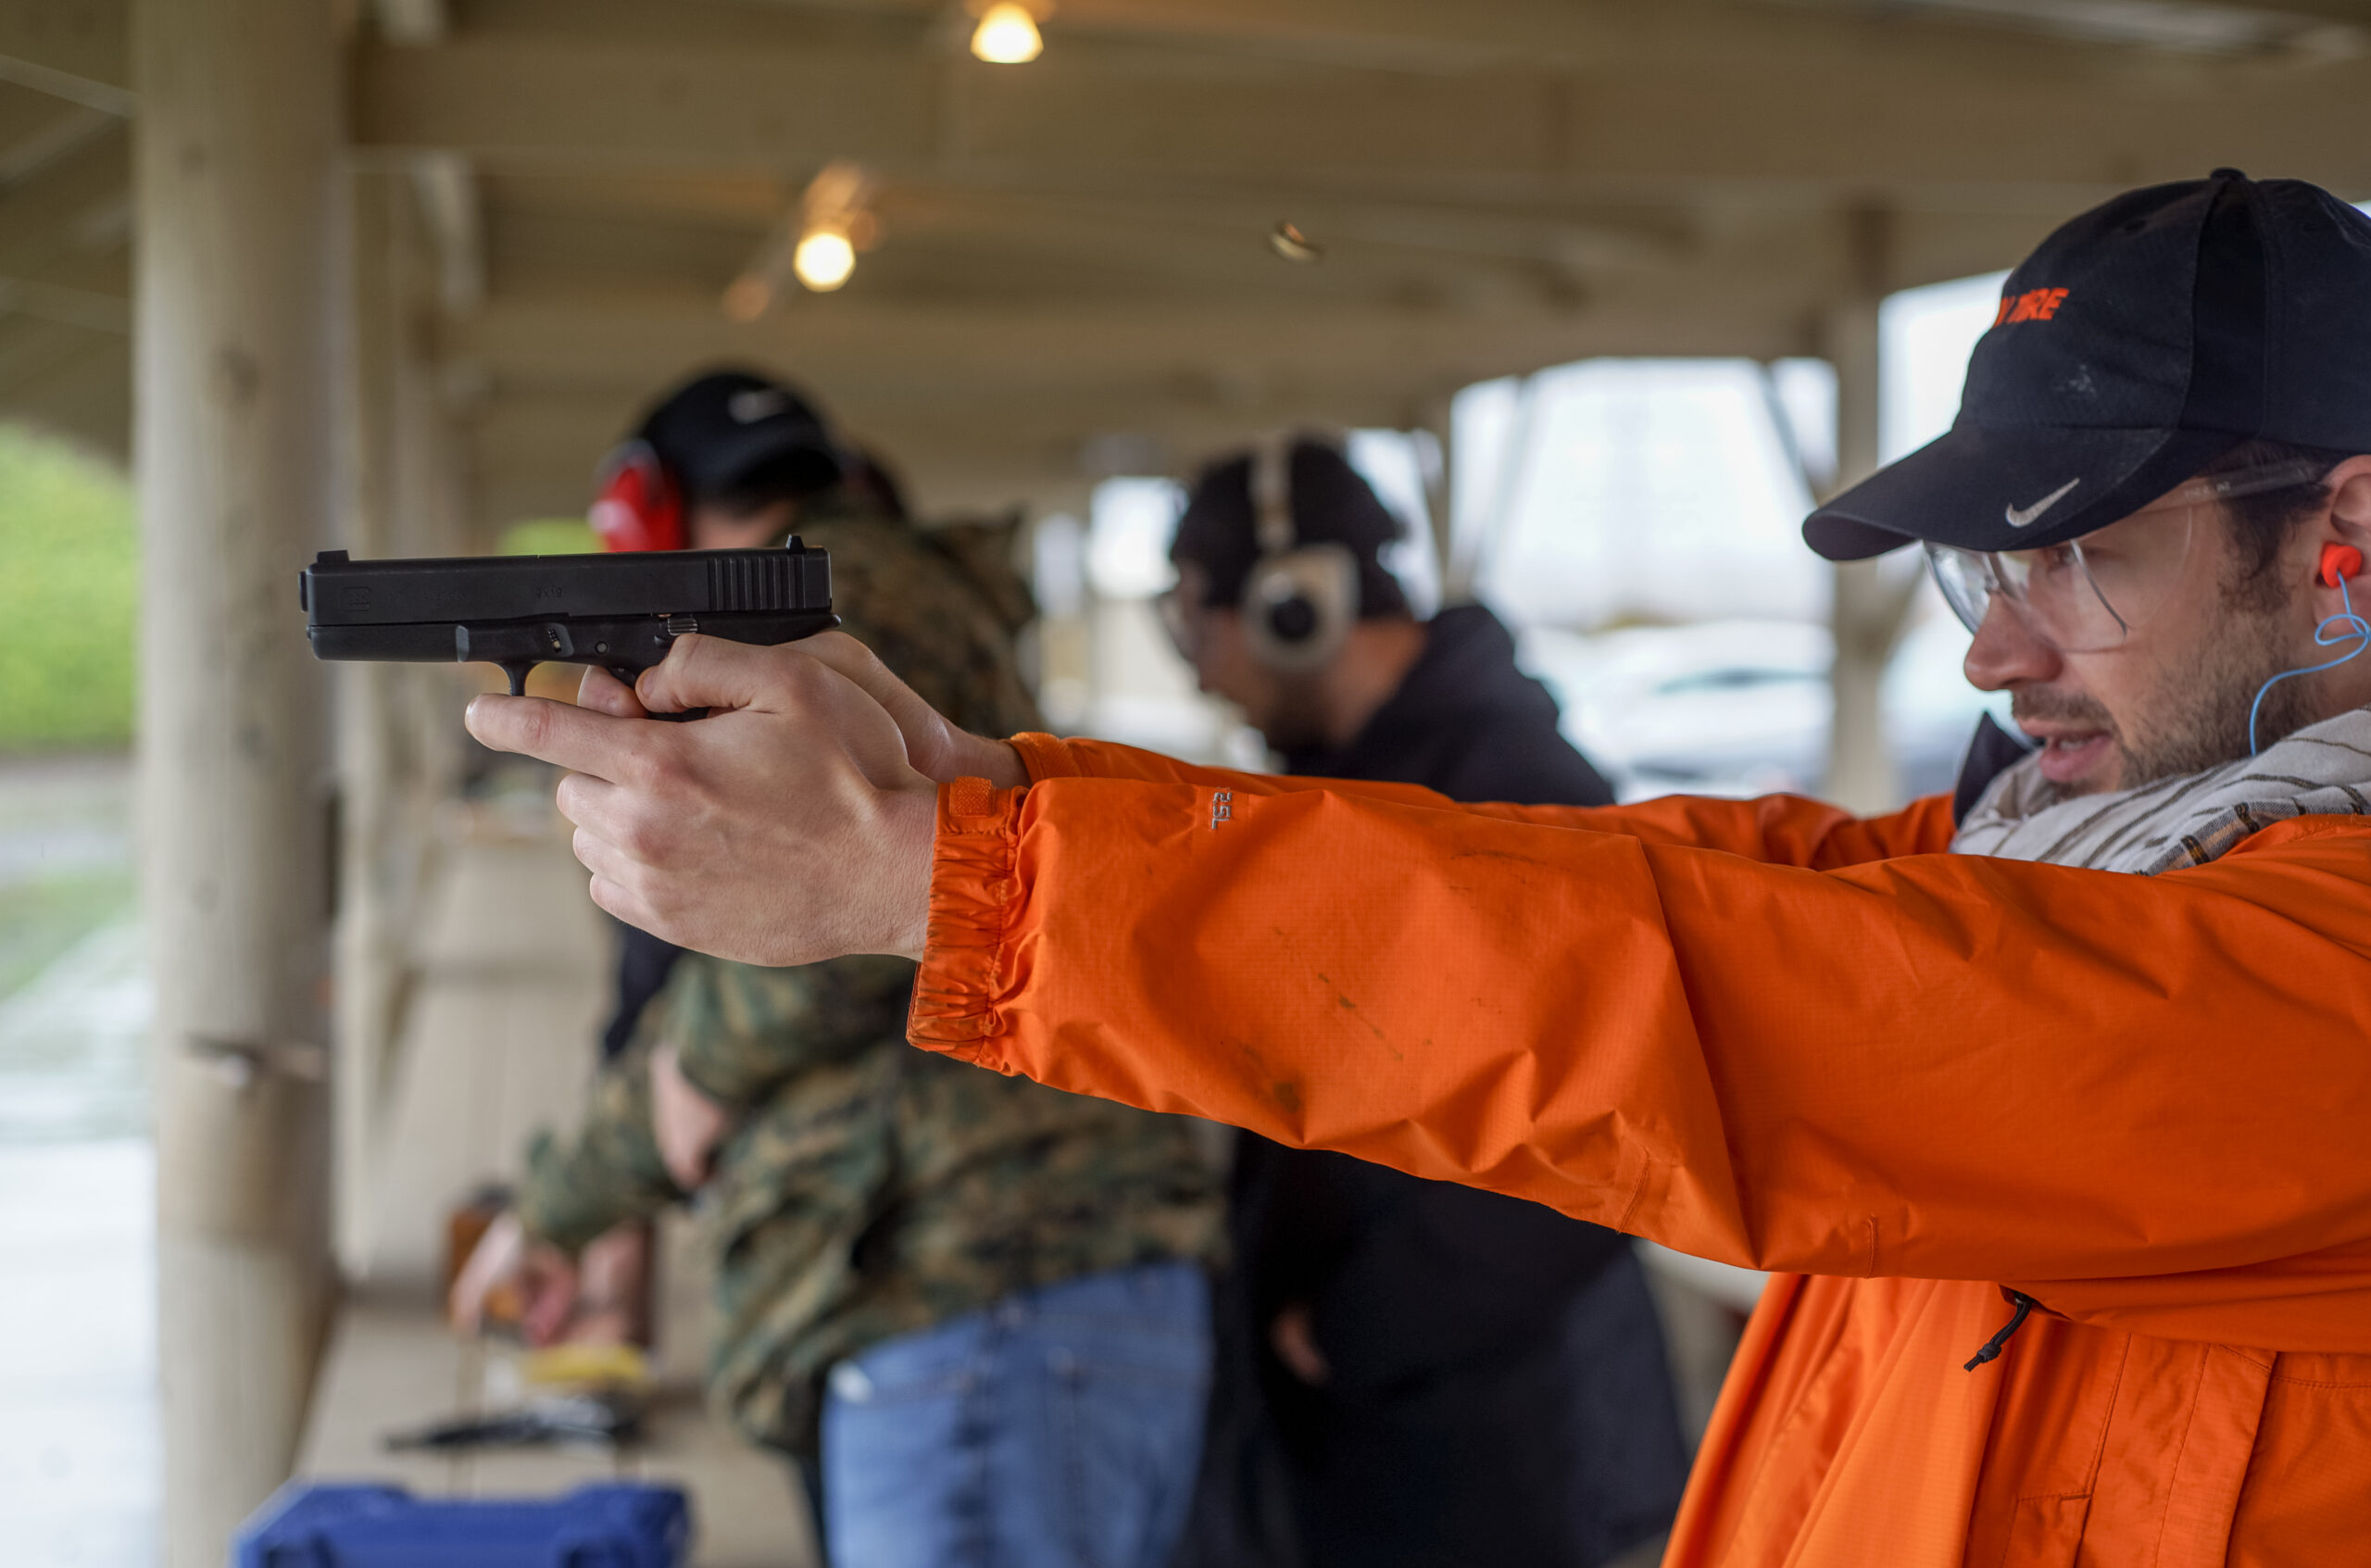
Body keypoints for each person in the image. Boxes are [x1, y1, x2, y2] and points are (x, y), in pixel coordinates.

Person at [465, 172, 2371, 1566]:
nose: (1988, 651)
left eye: (2077, 558)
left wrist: (957, 875)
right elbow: (1608, 883)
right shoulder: (2074, 854)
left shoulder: (2313, 988)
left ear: (2341, 536)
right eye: (1986, 571)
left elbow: (1677, 990)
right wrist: (984, 784)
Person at [453, 368, 1226, 1568]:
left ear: (646, 516)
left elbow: (815, 945)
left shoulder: (820, 612)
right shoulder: (889, 593)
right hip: (1011, 1286)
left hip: (965, 1284)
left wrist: (591, 1180)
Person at [1160, 436, 1684, 1568]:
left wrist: (1353, 1330)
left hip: (1492, 1439)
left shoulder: (1510, 796)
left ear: (1294, 603)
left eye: (1195, 623)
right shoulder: (1352, 785)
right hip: (1386, 1427)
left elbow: (1592, 1153)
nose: (1200, 671)